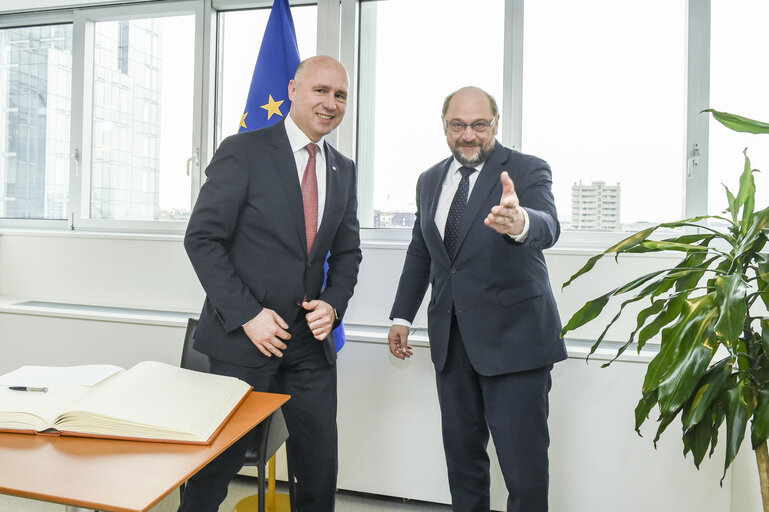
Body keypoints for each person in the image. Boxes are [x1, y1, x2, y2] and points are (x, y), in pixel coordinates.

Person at [179, 55, 361, 512]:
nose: (330, 103)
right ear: (293, 91)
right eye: (320, 90)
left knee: (319, 473)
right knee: (213, 473)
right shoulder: (244, 151)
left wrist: (333, 305)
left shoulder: (344, 168)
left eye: (340, 95)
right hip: (244, 342)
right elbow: (202, 239)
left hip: (309, 346)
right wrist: (248, 316)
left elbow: (349, 253)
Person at [388, 86, 566, 512]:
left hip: (516, 344)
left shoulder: (526, 169)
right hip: (453, 344)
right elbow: (421, 252)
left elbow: (548, 225)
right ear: (445, 126)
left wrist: (519, 221)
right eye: (458, 125)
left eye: (479, 125)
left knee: (523, 472)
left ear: (495, 124)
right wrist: (401, 315)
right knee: (463, 464)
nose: (468, 135)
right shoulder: (430, 179)